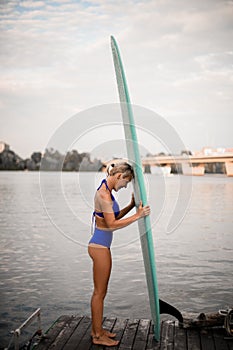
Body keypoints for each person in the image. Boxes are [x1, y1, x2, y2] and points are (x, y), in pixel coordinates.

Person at [88, 161, 151, 346]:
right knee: (99, 293)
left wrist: (132, 206)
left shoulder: (105, 189)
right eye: (126, 182)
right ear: (118, 176)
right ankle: (98, 336)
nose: (124, 186)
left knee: (101, 292)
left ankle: (96, 330)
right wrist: (138, 215)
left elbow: (112, 217)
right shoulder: (104, 195)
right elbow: (112, 225)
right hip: (100, 247)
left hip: (100, 245)